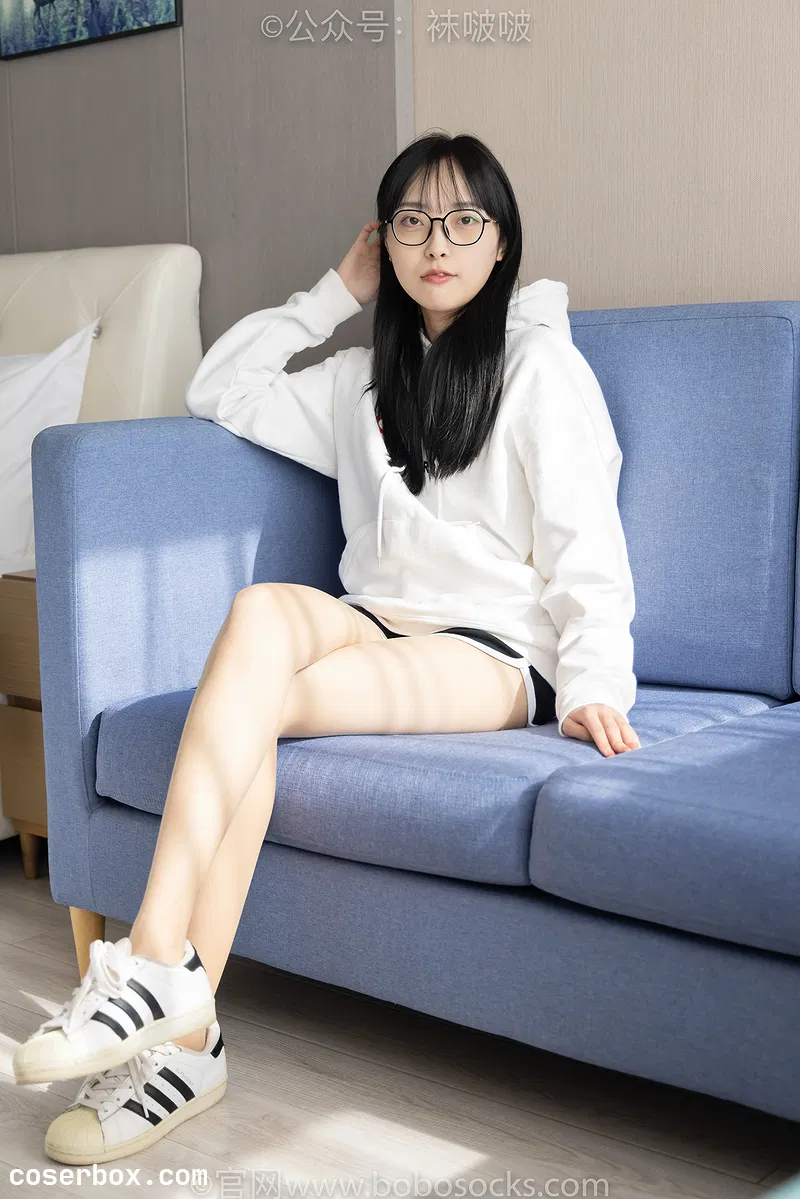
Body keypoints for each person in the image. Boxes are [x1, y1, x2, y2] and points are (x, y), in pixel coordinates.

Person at [13, 132, 640, 1164]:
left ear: (500, 243)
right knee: (259, 616)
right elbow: (220, 387)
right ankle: (172, 997)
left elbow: (587, 546)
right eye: (411, 221)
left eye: (463, 221)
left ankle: (163, 990)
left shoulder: (539, 367)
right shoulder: (360, 377)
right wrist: (331, 294)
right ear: (382, 240)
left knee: (246, 699)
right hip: (376, 615)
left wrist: (593, 682)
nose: (436, 242)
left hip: (489, 650)